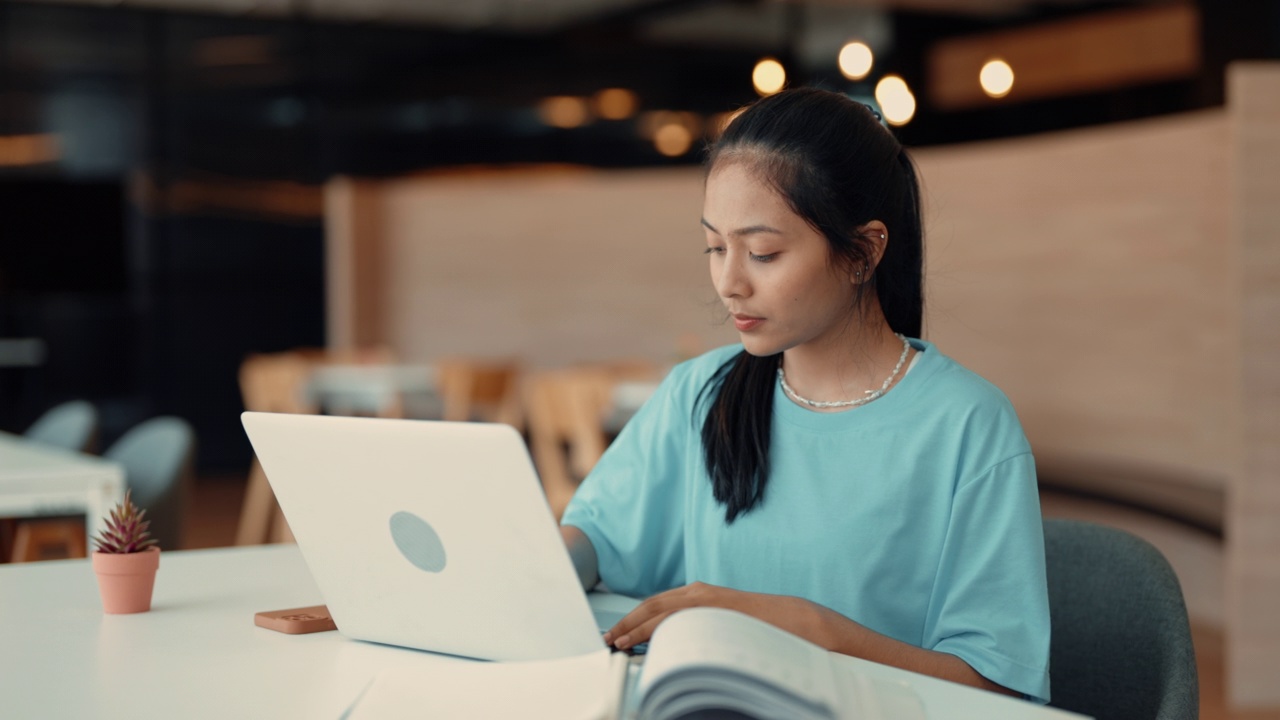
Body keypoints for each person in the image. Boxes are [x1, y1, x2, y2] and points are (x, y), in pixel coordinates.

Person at [559, 87, 1050, 704]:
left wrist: (813, 631)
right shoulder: (701, 393)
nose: (729, 283)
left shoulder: (969, 427)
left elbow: (999, 688)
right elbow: (597, 542)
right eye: (715, 247)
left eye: (763, 253)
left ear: (864, 252)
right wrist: (529, 564)